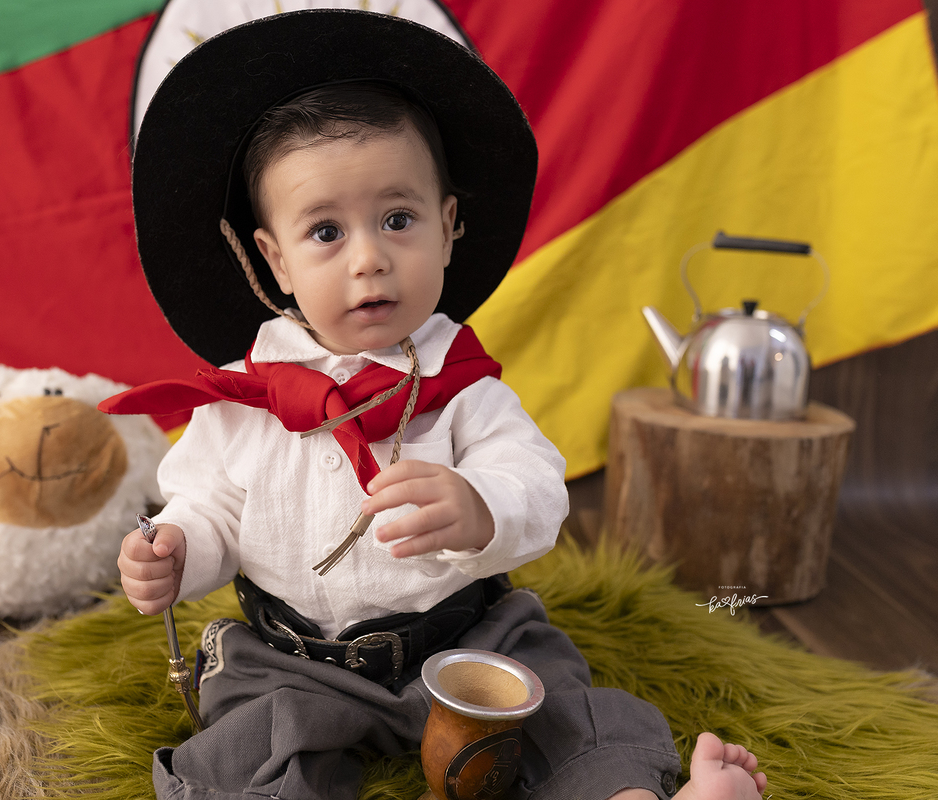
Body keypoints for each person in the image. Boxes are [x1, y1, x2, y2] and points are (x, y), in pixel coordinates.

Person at [103, 10, 768, 800]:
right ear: (274, 259)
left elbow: (534, 483)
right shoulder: (245, 395)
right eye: (325, 231)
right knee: (257, 739)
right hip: (295, 659)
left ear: (448, 228)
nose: (370, 258)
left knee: (557, 708)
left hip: (462, 637)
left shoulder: (464, 385)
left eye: (397, 218)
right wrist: (178, 549)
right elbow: (212, 504)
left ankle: (630, 792)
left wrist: (481, 506)